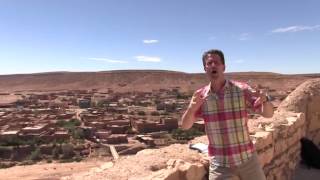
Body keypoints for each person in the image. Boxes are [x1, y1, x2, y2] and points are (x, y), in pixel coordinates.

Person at [181, 49, 273, 180]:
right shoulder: (201, 96)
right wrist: (191, 108)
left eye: (217, 62)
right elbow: (185, 126)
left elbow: (268, 114)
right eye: (209, 63)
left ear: (223, 67)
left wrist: (266, 100)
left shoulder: (242, 90)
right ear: (205, 68)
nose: (213, 65)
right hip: (220, 164)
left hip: (247, 159)